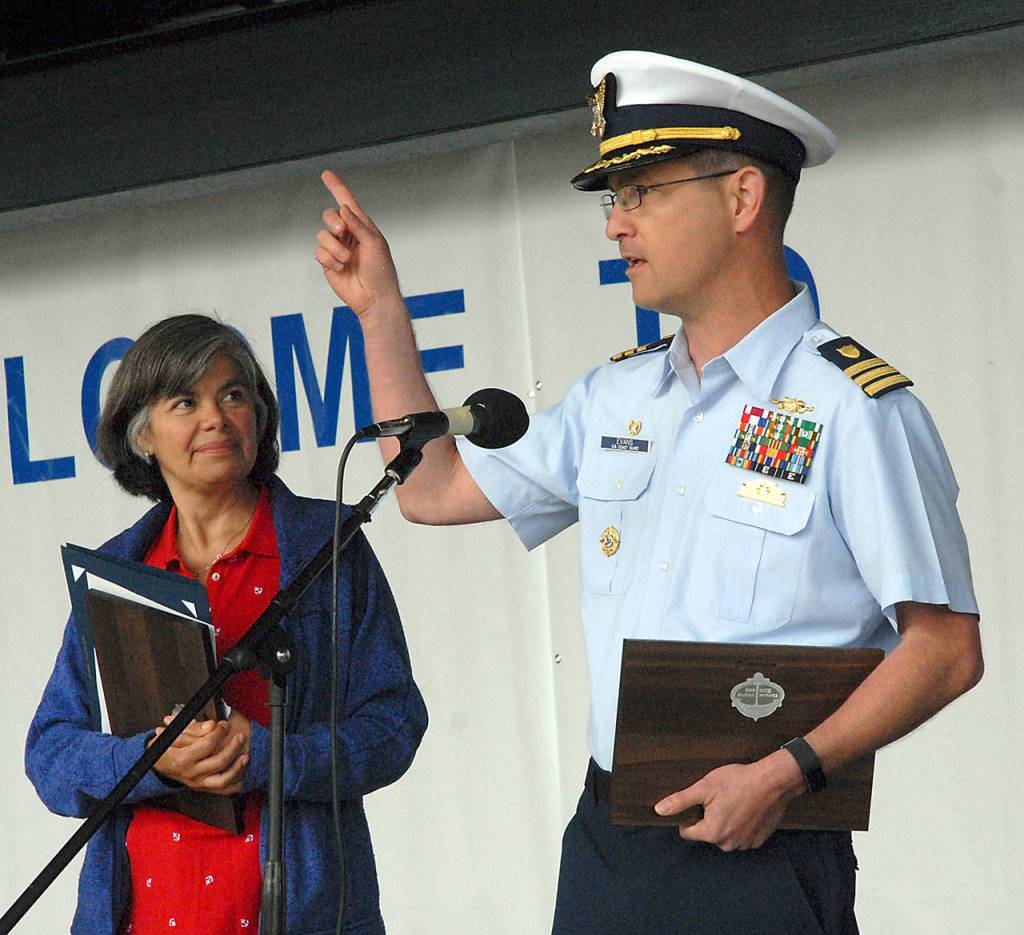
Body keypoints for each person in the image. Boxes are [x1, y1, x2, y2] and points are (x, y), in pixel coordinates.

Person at [313, 50, 983, 934]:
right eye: (612, 198)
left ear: (742, 198)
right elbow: (430, 487)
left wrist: (786, 772)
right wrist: (379, 311)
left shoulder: (853, 407)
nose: (614, 227)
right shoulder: (614, 398)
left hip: (765, 844)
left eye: (643, 194)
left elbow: (944, 649)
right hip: (611, 838)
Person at [25, 314, 427, 935]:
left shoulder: (328, 545)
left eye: (233, 395)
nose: (216, 417)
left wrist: (270, 757)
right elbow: (51, 755)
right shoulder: (116, 572)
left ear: (259, 417)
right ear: (143, 436)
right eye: (186, 402)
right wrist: (153, 760)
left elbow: (393, 724)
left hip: (301, 915)